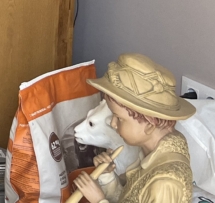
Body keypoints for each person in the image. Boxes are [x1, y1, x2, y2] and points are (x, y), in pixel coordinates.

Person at [72, 53, 196, 203]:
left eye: (119, 118)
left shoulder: (164, 184)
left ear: (149, 124)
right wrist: (107, 176)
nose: (113, 124)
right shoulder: (153, 152)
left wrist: (98, 200)